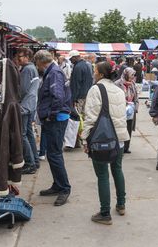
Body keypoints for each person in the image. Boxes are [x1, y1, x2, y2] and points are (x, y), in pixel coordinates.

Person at [81, 61, 129, 225]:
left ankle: (104, 212)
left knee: (102, 174)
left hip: (102, 139)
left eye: (95, 70)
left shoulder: (96, 89)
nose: (93, 73)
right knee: (117, 169)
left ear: (101, 74)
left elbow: (91, 117)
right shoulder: (119, 89)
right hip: (119, 138)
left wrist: (85, 138)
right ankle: (121, 205)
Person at [36, 50, 72, 206]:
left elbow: (58, 96)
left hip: (56, 119)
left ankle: (64, 188)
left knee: (55, 154)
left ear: (41, 62)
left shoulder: (54, 73)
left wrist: (51, 115)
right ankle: (58, 185)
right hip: (55, 118)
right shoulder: (53, 72)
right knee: (52, 154)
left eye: (36, 64)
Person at [17, 48, 41, 174]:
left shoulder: (27, 70)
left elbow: (23, 90)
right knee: (29, 133)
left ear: (27, 56)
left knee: (22, 134)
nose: (18, 59)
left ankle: (30, 163)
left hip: (25, 106)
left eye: (20, 56)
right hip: (31, 105)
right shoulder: (33, 68)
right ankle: (35, 161)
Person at [115, 67, 139, 154]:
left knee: (128, 128)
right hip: (120, 109)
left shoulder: (133, 84)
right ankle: (119, 147)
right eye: (131, 75)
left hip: (131, 110)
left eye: (133, 75)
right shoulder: (117, 83)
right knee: (120, 128)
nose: (133, 77)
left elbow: (136, 96)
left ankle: (126, 147)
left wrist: (135, 106)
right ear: (126, 75)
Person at [69, 50, 93, 116]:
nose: (70, 61)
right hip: (86, 94)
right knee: (84, 114)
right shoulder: (85, 65)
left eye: (71, 59)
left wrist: (74, 98)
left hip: (79, 96)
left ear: (74, 57)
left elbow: (76, 84)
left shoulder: (78, 67)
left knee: (78, 115)